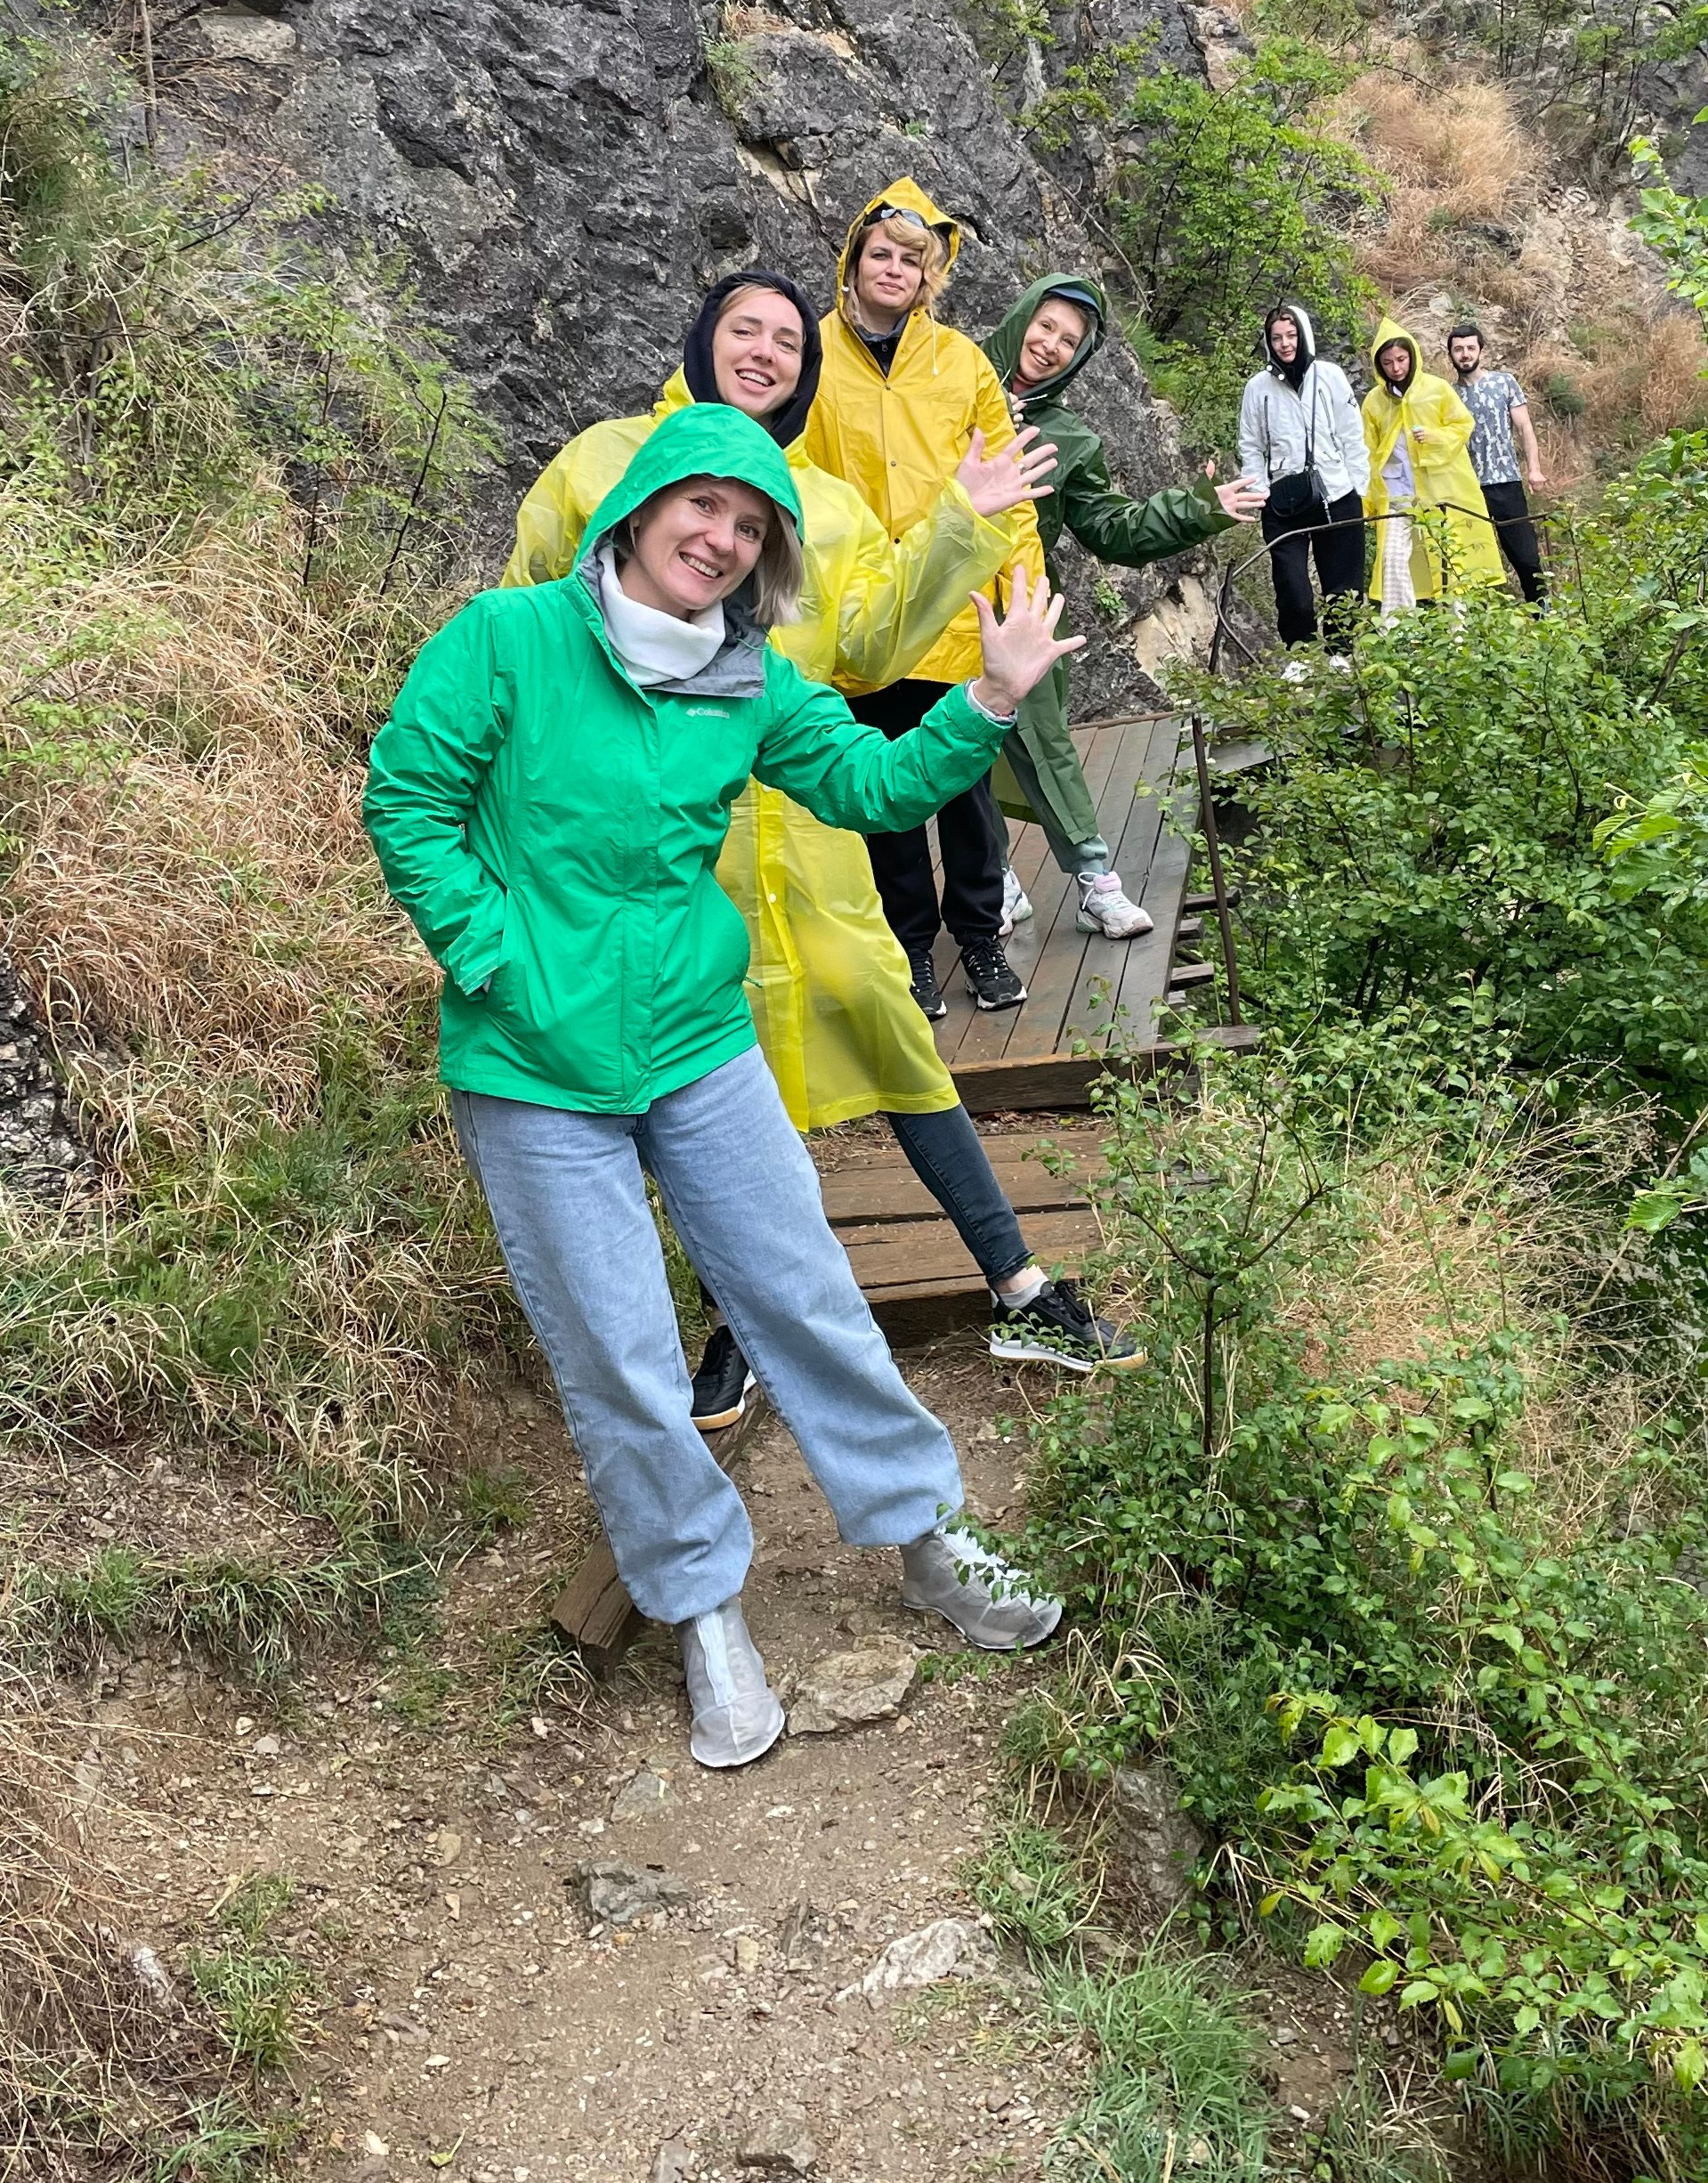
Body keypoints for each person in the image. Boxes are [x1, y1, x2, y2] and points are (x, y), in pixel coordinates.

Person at [364, 403, 1081, 1775]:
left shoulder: (747, 678)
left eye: (752, 527)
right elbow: (407, 794)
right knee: (621, 1352)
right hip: (531, 1061)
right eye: (703, 505)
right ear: (639, 506)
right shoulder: (509, 639)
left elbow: (872, 785)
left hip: (695, 1036)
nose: (722, 538)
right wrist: (489, 951)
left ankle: (925, 1536)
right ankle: (702, 1610)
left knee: (804, 1291)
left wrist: (988, 700)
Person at [504, 269, 1141, 1387]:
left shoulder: (823, 504)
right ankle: (738, 1329)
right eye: (743, 328)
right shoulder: (601, 463)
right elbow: (528, 629)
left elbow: (877, 644)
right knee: (710, 1085)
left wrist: (960, 523)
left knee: (892, 1032)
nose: (765, 351)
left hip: (807, 830)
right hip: (657, 849)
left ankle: (1020, 1287)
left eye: (789, 343)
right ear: (701, 339)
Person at [799, 181, 1045, 1020]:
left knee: (966, 790)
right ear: (853, 260)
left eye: (912, 260)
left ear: (929, 276)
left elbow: (1010, 487)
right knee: (883, 793)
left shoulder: (962, 362)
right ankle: (909, 945)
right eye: (882, 254)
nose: (895, 269)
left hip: (952, 609)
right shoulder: (811, 354)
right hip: (863, 613)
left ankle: (979, 935)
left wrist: (1025, 594)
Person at [983, 272, 1263, 937]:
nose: (1050, 345)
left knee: (1043, 740)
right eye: (1045, 326)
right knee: (953, 745)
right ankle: (994, 876)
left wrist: (1200, 508)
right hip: (931, 596)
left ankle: (1095, 881)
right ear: (1021, 319)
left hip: (1019, 605)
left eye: (1068, 341)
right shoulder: (946, 386)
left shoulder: (1068, 438)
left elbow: (1113, 529)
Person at [1237, 304, 1371, 647]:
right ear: (1268, 342)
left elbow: (1352, 434)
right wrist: (1260, 491)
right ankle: (1302, 655)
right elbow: (1250, 444)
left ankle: (1342, 654)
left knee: (1343, 587)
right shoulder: (1257, 388)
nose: (1285, 344)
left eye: (1291, 335)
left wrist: (1358, 487)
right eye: (1277, 338)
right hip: (1283, 501)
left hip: (1337, 495)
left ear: (1304, 335)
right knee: (1292, 589)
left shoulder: (1329, 376)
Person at [1360, 316, 1504, 609]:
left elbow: (1462, 426)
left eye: (1401, 359)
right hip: (1397, 494)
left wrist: (1434, 437)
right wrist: (1367, 499)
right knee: (1393, 559)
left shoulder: (1436, 389)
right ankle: (1397, 625)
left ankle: (1456, 627)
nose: (1396, 368)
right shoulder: (1375, 401)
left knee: (1449, 557)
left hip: (1439, 492)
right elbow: (1366, 449)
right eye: (1387, 363)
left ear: (1412, 356)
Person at [1446, 321, 1546, 604]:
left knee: (1525, 555)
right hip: (1466, 487)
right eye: (1458, 349)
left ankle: (1541, 610)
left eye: (1470, 348)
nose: (1465, 354)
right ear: (1450, 354)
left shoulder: (1504, 382)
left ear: (1481, 351)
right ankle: (1478, 618)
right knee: (1470, 557)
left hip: (1505, 480)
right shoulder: (1448, 394)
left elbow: (1525, 426)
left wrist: (1534, 469)